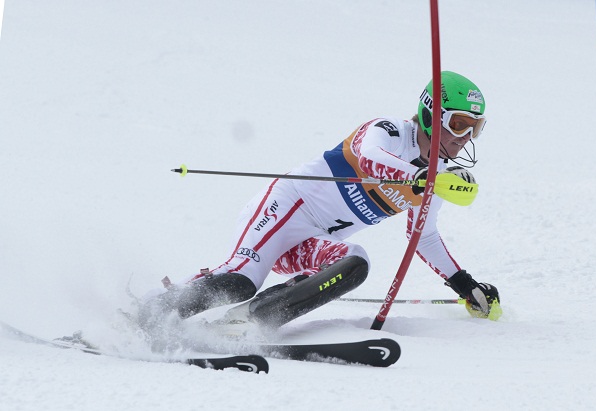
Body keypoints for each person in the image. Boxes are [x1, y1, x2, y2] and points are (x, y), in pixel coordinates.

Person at [138, 71, 501, 334]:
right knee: (240, 280)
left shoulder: (436, 175)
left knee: (354, 262)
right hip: (286, 209)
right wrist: (421, 178)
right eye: (459, 124)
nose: (465, 138)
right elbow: (370, 157)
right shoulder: (389, 131)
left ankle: (245, 321)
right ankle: (147, 312)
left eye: (476, 128)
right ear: (430, 115)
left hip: (311, 242)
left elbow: (423, 236)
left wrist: (465, 285)